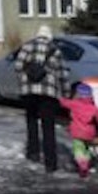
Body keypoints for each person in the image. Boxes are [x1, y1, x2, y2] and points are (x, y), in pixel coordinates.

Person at [14, 25, 68, 173]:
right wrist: (66, 92)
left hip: (29, 92)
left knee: (31, 121)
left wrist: (24, 81)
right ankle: (50, 163)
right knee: (48, 126)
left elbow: (18, 66)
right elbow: (63, 73)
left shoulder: (27, 46)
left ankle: (33, 153)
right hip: (48, 93)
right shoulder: (55, 50)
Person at [58, 81, 98, 178]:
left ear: (78, 95)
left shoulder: (74, 104)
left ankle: (83, 165)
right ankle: (87, 160)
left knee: (78, 149)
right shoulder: (94, 108)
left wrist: (60, 96)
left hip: (77, 133)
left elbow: (63, 102)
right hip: (90, 133)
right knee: (86, 149)